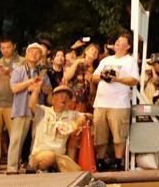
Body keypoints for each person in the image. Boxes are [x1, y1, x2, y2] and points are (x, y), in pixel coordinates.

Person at [92, 34, 139, 170]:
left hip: (119, 103)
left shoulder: (130, 61)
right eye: (117, 41)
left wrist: (117, 79)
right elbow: (94, 77)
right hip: (101, 103)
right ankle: (100, 161)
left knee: (119, 135)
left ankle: (118, 161)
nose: (117, 44)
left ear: (128, 46)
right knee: (100, 134)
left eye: (121, 42)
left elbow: (134, 80)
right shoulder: (106, 60)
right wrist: (103, 76)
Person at [8, 43, 51, 173]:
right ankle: (12, 167)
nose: (34, 54)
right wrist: (30, 82)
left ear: (41, 56)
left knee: (36, 139)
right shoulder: (19, 70)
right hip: (22, 108)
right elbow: (14, 88)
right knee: (17, 139)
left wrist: (40, 85)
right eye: (31, 51)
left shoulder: (42, 72)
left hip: (38, 110)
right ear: (26, 54)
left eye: (37, 52)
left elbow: (49, 91)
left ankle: (32, 166)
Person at [28, 85, 86, 172]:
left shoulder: (71, 115)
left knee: (76, 171)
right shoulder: (43, 111)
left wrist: (75, 124)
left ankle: (51, 171)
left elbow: (85, 116)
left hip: (59, 157)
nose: (64, 98)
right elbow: (32, 105)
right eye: (60, 95)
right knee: (49, 157)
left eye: (67, 96)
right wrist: (36, 90)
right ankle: (38, 170)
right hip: (39, 154)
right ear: (52, 99)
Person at [0, 37, 22, 167]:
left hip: (13, 103)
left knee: (14, 136)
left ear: (14, 46)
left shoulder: (21, 61)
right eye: (2, 48)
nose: (5, 50)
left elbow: (26, 77)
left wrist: (11, 72)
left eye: (8, 47)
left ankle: (14, 163)